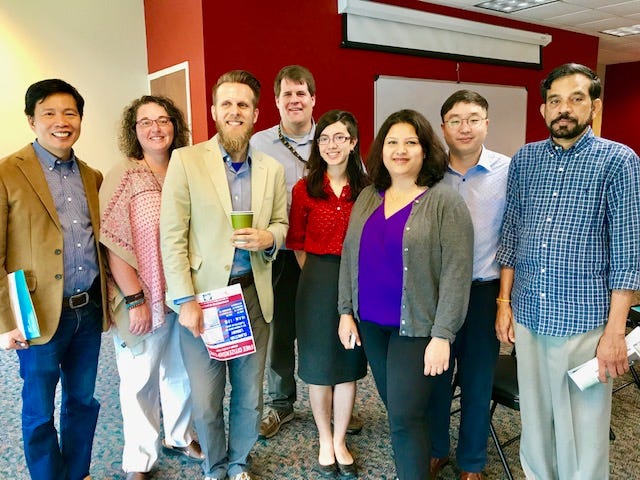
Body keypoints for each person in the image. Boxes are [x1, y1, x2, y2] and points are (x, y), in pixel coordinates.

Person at [495, 63, 640, 479]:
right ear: (543, 110)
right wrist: (504, 304)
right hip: (530, 314)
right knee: (536, 421)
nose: (564, 109)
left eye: (576, 98)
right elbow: (512, 236)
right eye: (555, 100)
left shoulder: (619, 161)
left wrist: (615, 333)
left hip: (585, 323)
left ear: (594, 106)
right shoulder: (525, 159)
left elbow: (628, 257)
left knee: (583, 427)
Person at [160, 70, 288, 480]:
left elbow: (282, 224)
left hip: (252, 294)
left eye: (244, 105)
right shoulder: (187, 160)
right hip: (204, 298)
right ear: (214, 110)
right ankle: (215, 466)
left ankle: (239, 463)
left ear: (255, 113)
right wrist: (185, 300)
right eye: (227, 104)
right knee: (207, 396)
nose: (235, 111)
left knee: (250, 394)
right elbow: (173, 235)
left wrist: (270, 236)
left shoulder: (271, 168)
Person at [338, 109, 474, 480]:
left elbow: (457, 274)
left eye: (410, 142)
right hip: (372, 324)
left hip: (417, 328)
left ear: (425, 150)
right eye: (392, 142)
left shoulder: (444, 201)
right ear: (381, 149)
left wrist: (443, 335)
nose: (400, 150)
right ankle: (433, 451)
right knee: (400, 408)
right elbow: (350, 255)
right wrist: (345, 311)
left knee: (403, 417)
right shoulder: (368, 196)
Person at [0, 79, 107, 480]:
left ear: (80, 120)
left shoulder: (92, 176)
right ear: (32, 120)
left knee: (83, 402)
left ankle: (78, 473)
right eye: (49, 113)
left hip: (88, 312)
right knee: (39, 411)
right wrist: (5, 323)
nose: (61, 122)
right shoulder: (8, 173)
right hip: (35, 315)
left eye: (70, 113)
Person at [99, 95, 203, 480]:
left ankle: (179, 435)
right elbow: (113, 241)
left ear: (175, 125)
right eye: (145, 122)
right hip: (141, 296)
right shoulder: (124, 174)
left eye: (163, 120)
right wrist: (134, 299)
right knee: (140, 379)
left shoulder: (186, 169)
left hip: (183, 294)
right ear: (134, 131)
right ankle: (140, 460)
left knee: (182, 370)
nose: (156, 128)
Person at [428, 90, 510, 480]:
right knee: (435, 377)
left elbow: (514, 236)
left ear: (486, 124)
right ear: (443, 126)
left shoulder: (508, 171)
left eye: (473, 118)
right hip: (437, 292)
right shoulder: (427, 172)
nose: (465, 127)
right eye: (456, 119)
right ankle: (436, 449)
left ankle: (472, 462)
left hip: (483, 292)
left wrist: (505, 302)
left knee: (478, 381)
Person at [286, 110, 369, 479]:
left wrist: (348, 283)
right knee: (320, 368)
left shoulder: (368, 189)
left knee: (347, 365)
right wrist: (321, 277)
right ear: (317, 145)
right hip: (316, 279)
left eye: (340, 138)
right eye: (325, 139)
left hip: (358, 280)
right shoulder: (304, 189)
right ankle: (324, 438)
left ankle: (340, 439)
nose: (332, 145)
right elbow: (298, 243)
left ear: (353, 143)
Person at [251, 65, 316, 438]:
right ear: (276, 101)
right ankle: (280, 404)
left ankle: (335, 397)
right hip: (275, 252)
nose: (294, 100)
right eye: (287, 94)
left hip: (321, 253)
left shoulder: (334, 137)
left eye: (301, 93)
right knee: (278, 331)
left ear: (313, 99)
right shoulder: (258, 144)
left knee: (325, 327)